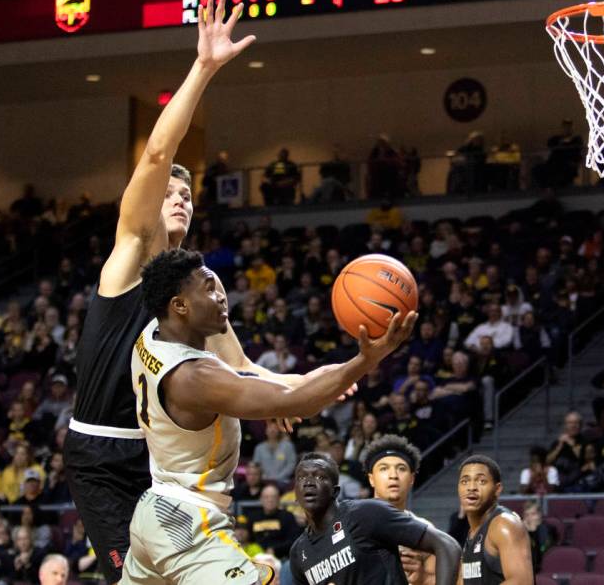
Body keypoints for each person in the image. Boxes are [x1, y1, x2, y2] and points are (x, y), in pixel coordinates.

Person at [63, 0, 257, 585]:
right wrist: (203, 68)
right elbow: (156, 154)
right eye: (172, 193)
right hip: (101, 457)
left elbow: (242, 368)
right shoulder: (127, 257)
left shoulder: (197, 290)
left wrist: (321, 384)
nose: (181, 198)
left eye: (189, 197)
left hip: (162, 459)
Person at [120, 248, 417, 584]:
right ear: (180, 305)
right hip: (187, 522)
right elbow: (295, 401)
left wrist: (310, 382)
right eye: (208, 289)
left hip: (154, 507)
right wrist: (366, 360)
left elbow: (248, 375)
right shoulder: (193, 377)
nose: (221, 296)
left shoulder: (153, 334)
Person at [289, 452, 460, 585]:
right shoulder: (298, 552)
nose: (309, 483)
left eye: (319, 477)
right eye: (302, 478)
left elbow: (447, 546)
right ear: (295, 493)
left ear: (335, 491)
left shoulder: (365, 514)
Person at [366, 434, 437, 585]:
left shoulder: (425, 529)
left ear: (411, 479)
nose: (393, 476)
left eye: (401, 469)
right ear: (371, 479)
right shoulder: (350, 524)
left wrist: (424, 579)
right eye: (384, 469)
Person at [456, 454, 533, 585]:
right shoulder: (472, 533)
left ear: (497, 489)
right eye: (465, 481)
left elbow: (522, 582)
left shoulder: (504, 524)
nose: (471, 487)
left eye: (481, 481)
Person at [246, 484, 301, 560]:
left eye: (273, 497)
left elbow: (294, 540)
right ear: (261, 499)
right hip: (256, 557)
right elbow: (248, 540)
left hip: (282, 557)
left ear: (279, 499)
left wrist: (275, 550)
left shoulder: (287, 516)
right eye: (266, 497)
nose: (270, 500)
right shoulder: (253, 517)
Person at [252, 420, 297, 488]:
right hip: (264, 481)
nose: (272, 430)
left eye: (275, 428)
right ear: (265, 430)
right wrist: (265, 478)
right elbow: (256, 466)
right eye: (270, 427)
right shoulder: (259, 448)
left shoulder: (288, 446)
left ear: (279, 430)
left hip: (283, 481)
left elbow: (291, 465)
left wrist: (278, 478)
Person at [522, 501, 557, 574]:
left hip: (544, 567)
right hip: (524, 568)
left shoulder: (549, 530)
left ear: (539, 515)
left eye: (533, 514)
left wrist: (532, 533)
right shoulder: (519, 531)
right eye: (527, 515)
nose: (529, 518)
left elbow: (541, 555)